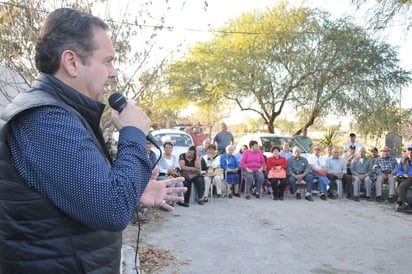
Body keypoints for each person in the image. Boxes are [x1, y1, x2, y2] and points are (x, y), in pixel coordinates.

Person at [0, 8, 185, 274]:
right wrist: (133, 133)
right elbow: (110, 210)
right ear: (72, 62)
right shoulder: (46, 119)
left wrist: (132, 190)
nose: (114, 72)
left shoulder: (61, 112)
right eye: (108, 61)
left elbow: (83, 197)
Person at [157, 142, 187, 207]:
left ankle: (180, 200)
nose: (168, 149)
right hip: (163, 175)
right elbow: (159, 168)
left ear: (172, 149)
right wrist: (167, 171)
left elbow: (177, 166)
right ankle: (169, 201)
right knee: (171, 182)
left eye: (169, 148)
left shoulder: (174, 157)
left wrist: (174, 170)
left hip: (172, 175)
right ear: (164, 148)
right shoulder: (160, 157)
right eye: (166, 147)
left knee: (180, 182)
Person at [396, 144, 412, 211]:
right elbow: (399, 170)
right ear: (406, 151)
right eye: (409, 150)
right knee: (402, 185)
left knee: (403, 185)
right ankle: (404, 203)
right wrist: (403, 174)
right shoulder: (403, 160)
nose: (410, 152)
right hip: (407, 178)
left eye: (411, 150)